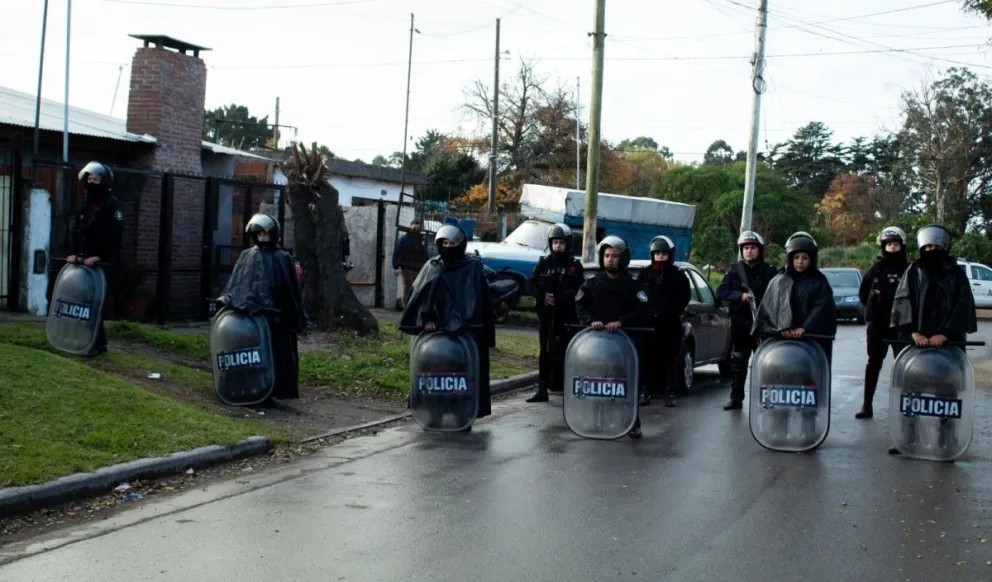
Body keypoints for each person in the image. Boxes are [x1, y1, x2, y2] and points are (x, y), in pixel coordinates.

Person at [888, 224, 977, 455]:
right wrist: (913, 333)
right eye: (927, 246)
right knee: (910, 389)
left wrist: (945, 333)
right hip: (916, 342)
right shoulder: (913, 271)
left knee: (948, 391)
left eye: (935, 246)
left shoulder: (957, 274)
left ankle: (947, 437)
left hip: (948, 342)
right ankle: (906, 437)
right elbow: (902, 301)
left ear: (944, 247)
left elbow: (962, 305)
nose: (931, 249)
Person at [398, 224, 496, 429]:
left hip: (466, 335)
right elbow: (421, 297)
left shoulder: (473, 267)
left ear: (461, 244)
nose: (448, 246)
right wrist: (427, 319)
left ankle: (463, 415)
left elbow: (480, 302)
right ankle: (434, 414)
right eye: (444, 243)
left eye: (452, 243)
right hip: (437, 335)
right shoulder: (433, 266)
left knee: (464, 377)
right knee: (435, 375)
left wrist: (474, 328)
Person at [220, 213, 307, 404]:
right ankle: (250, 385)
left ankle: (275, 389)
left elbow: (290, 291)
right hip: (251, 319)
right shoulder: (246, 256)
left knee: (277, 353)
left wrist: (288, 314)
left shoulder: (282, 258)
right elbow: (238, 285)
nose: (261, 238)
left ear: (273, 234)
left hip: (276, 319)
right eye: (258, 234)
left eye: (265, 234)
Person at [575, 236, 648, 438]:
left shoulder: (634, 286)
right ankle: (597, 420)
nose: (610, 260)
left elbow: (642, 309)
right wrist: (592, 321)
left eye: (615, 256)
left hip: (626, 345)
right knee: (599, 383)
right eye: (606, 256)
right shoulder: (592, 284)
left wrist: (621, 322)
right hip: (598, 346)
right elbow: (580, 305)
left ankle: (633, 422)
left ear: (623, 258)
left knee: (627, 384)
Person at [716, 230, 780, 410]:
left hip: (764, 325)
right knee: (738, 363)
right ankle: (736, 398)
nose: (749, 251)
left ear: (759, 250)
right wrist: (740, 296)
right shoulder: (734, 271)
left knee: (767, 364)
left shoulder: (770, 271)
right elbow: (721, 292)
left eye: (752, 247)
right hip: (741, 325)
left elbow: (780, 294)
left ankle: (768, 398)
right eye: (746, 248)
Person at [66, 161, 124, 357]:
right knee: (80, 303)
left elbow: (114, 235)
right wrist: (74, 252)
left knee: (95, 303)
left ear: (104, 181)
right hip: (82, 262)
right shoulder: (84, 203)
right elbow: (76, 229)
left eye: (95, 179)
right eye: (89, 179)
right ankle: (87, 341)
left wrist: (100, 256)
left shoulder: (112, 204)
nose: (91, 182)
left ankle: (96, 344)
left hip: (100, 264)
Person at [751, 231, 837, 362]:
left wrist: (805, 327)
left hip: (813, 340)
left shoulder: (819, 281)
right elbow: (771, 307)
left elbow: (822, 307)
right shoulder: (779, 280)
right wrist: (783, 327)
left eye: (805, 258)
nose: (800, 262)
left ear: (811, 259)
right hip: (781, 342)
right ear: (790, 258)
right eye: (796, 257)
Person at [854, 226, 910, 420]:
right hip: (878, 325)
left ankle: (905, 407)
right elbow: (863, 293)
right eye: (889, 245)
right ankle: (867, 405)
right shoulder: (876, 269)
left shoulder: (909, 269)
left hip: (902, 325)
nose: (892, 248)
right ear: (883, 247)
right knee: (873, 363)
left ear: (902, 246)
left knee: (904, 365)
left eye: (895, 244)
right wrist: (873, 307)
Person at [525, 223, 585, 403]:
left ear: (568, 244)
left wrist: (559, 299)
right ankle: (542, 389)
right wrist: (542, 297)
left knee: (568, 352)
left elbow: (578, 289)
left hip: (566, 317)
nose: (558, 246)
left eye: (561, 242)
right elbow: (530, 283)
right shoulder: (543, 263)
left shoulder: (574, 265)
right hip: (546, 316)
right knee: (545, 352)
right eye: (555, 242)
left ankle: (569, 388)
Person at [635, 235, 691, 408]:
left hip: (669, 323)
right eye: (657, 253)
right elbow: (637, 294)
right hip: (648, 324)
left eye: (663, 253)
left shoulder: (678, 275)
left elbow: (685, 296)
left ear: (670, 255)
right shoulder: (645, 273)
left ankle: (669, 393)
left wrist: (674, 310)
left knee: (669, 360)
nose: (660, 256)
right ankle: (645, 392)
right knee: (646, 359)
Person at [392, 218, 429, 308]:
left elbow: (397, 252)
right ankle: (408, 308)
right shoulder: (418, 239)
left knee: (409, 287)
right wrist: (396, 266)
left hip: (411, 266)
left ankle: (408, 308)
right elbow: (397, 252)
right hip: (411, 267)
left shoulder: (410, 238)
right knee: (411, 287)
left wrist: (396, 266)